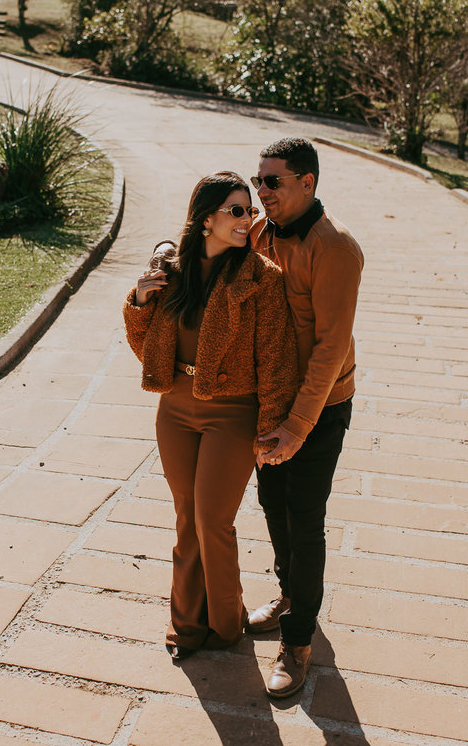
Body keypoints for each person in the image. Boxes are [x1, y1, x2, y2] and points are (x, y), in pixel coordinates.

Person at [123, 171, 297, 660]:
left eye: (251, 211)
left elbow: (278, 359)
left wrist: (271, 430)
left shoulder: (262, 277)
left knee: (211, 519)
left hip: (233, 412)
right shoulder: (172, 272)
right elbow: (146, 345)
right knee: (186, 518)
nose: (249, 220)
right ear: (205, 219)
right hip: (175, 407)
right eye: (237, 211)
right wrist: (139, 299)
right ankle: (185, 626)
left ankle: (225, 623)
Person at [246, 137, 364, 698]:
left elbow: (332, 345)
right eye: (258, 180)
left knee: (303, 513)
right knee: (271, 502)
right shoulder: (261, 229)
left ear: (308, 182)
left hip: (320, 404)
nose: (261, 191)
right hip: (268, 396)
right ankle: (290, 592)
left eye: (273, 181)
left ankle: (298, 640)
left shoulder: (335, 247)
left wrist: (297, 426)